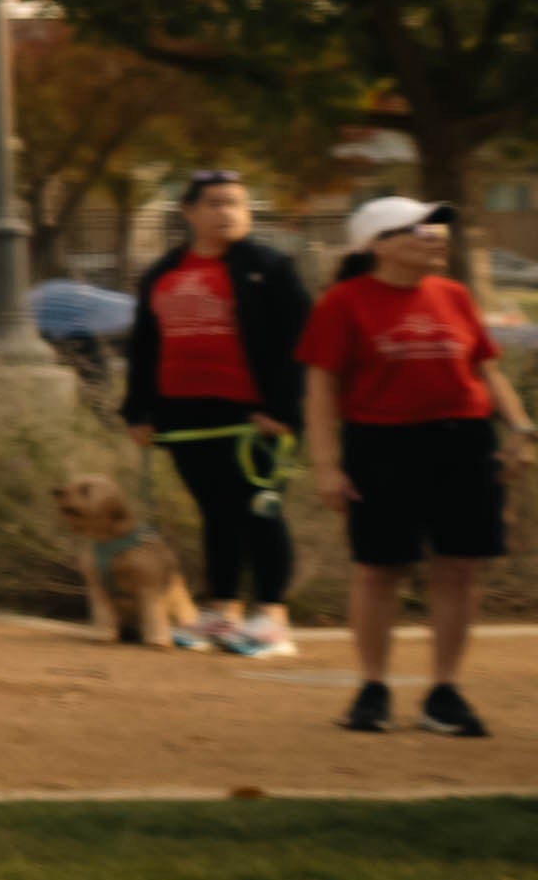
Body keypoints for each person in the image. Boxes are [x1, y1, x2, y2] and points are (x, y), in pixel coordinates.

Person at [303, 194, 505, 737]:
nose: (435, 237)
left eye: (438, 228)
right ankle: (373, 688)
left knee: (459, 567)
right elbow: (321, 388)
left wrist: (521, 429)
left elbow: (485, 370)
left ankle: (444, 692)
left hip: (463, 440)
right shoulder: (344, 301)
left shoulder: (455, 294)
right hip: (381, 443)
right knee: (379, 568)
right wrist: (326, 466)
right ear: (378, 245)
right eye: (419, 229)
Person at [114, 169, 308, 656]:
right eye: (217, 203)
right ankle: (223, 611)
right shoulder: (163, 272)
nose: (229, 213)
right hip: (186, 417)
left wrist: (283, 409)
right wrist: (139, 412)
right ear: (189, 212)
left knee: (261, 511)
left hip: (254, 418)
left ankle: (272, 618)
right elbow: (144, 347)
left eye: (237, 203)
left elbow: (302, 343)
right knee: (216, 514)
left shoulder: (270, 268)